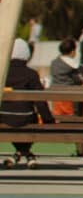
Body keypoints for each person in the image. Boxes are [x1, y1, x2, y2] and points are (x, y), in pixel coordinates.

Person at [2, 39, 55, 169]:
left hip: (2, 116)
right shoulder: (31, 74)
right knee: (31, 119)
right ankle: (27, 154)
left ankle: (19, 154)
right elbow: (40, 101)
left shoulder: (2, 72)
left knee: (12, 120)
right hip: (25, 117)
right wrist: (48, 119)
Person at [49, 36, 83, 117]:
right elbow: (79, 80)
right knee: (69, 117)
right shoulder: (71, 65)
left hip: (55, 95)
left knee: (57, 117)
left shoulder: (54, 63)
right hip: (67, 96)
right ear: (72, 51)